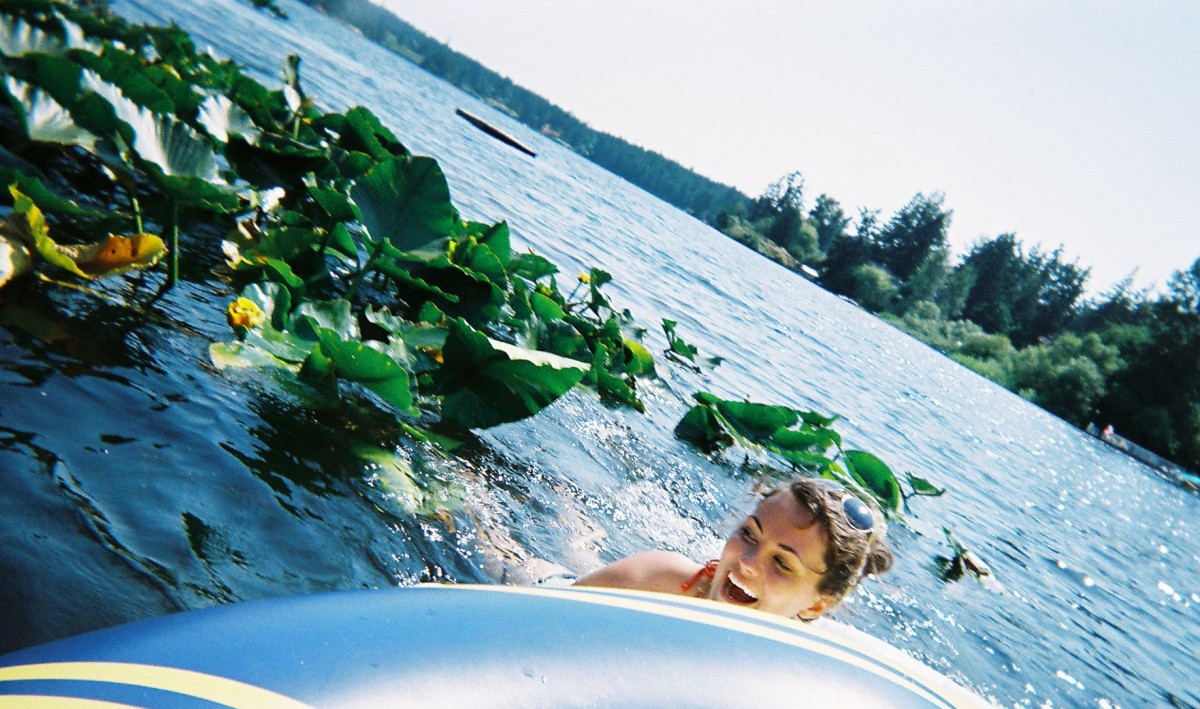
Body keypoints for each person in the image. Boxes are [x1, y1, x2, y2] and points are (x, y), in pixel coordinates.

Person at [574, 478, 893, 621]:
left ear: (815, 606)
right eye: (749, 535)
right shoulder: (660, 578)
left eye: (782, 563)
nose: (748, 562)